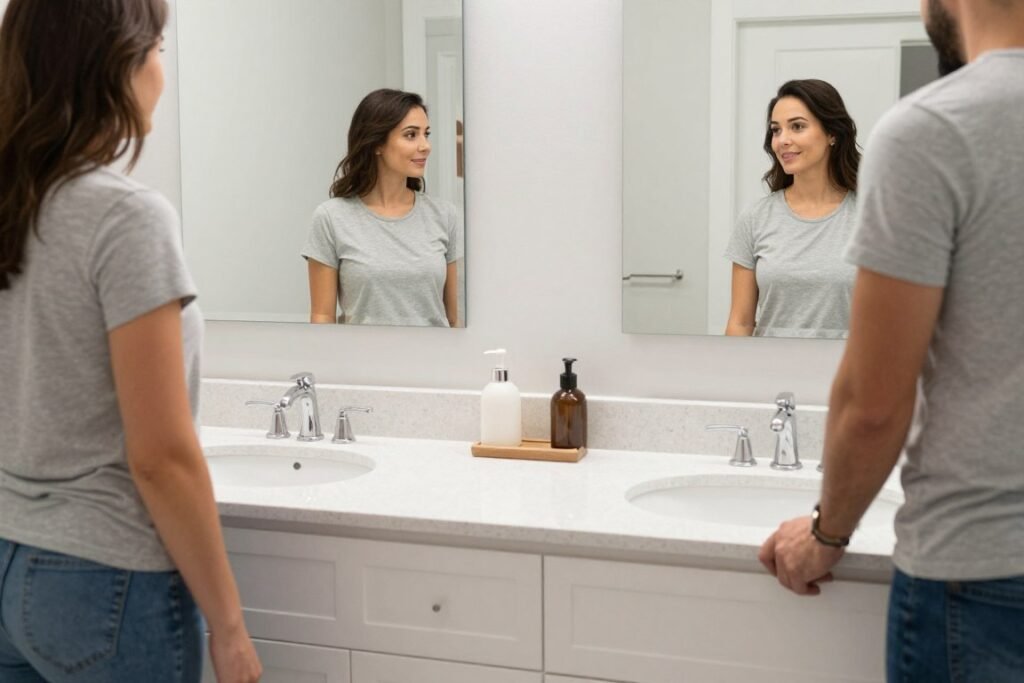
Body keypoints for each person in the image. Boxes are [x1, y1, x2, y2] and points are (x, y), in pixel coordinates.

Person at [759, 0, 1024, 680]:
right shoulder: (761, 215)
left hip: (981, 572)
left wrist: (826, 534)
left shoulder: (936, 129)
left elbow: (875, 402)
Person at [0, 1, 261, 681]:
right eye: (158, 50)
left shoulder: (16, 205)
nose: (162, 73)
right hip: (104, 581)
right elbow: (161, 458)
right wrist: (230, 627)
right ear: (116, 63)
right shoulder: (125, 217)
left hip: (9, 559)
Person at [303, 89, 463, 327]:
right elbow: (322, 317)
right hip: (359, 352)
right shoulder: (331, 218)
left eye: (426, 134)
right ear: (377, 143)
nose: (426, 146)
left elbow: (455, 319)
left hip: (435, 352)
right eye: (411, 135)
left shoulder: (444, 215)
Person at [724, 79, 861, 339]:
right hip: (769, 365)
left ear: (832, 134)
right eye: (776, 130)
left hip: (847, 365)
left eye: (797, 126)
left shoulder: (873, 217)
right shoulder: (755, 218)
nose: (782, 140)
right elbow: (740, 323)